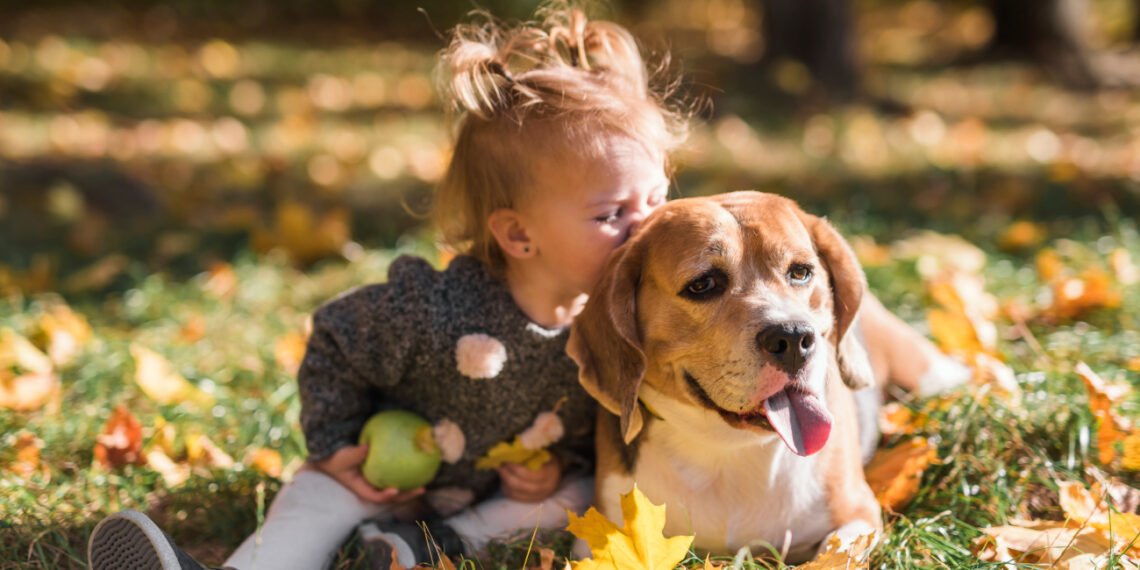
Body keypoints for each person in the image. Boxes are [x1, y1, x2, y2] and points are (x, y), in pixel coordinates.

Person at [87, 4, 691, 570]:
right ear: (518, 235)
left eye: (657, 200)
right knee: (314, 504)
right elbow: (335, 339)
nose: (648, 226)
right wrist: (336, 445)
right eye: (612, 213)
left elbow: (600, 426)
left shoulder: (619, 320)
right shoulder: (433, 308)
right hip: (381, 472)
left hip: (486, 497)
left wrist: (558, 464)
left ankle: (419, 548)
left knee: (581, 494)